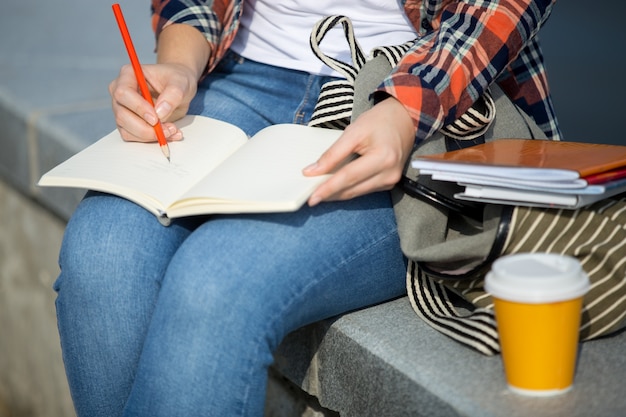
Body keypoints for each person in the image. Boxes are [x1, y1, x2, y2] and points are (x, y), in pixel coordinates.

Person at [53, 0, 560, 416]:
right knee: (102, 253)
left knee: (217, 282)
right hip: (239, 76)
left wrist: (409, 108)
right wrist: (179, 62)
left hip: (406, 89)